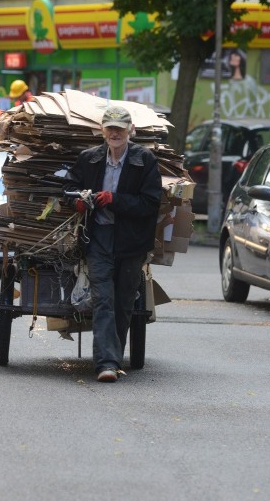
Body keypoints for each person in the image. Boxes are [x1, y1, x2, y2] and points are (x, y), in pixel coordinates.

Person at [65, 105, 162, 383]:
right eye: (110, 128)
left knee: (123, 302)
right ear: (102, 131)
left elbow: (151, 203)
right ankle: (107, 363)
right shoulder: (90, 158)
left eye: (120, 128)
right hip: (99, 239)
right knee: (103, 299)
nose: (115, 133)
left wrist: (115, 200)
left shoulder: (145, 160)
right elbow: (69, 188)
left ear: (131, 130)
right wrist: (79, 201)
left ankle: (113, 357)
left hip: (132, 242)